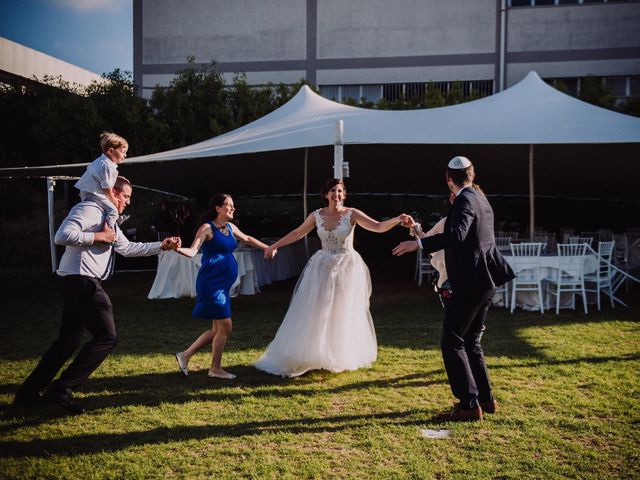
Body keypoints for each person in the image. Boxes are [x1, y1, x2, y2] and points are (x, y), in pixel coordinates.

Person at [13, 176, 181, 414]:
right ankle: (60, 390)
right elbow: (61, 236)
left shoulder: (108, 217)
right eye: (126, 196)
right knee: (107, 337)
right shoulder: (90, 209)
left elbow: (126, 248)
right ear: (112, 192)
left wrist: (161, 246)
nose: (128, 202)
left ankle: (27, 395)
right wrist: (98, 237)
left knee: (67, 342)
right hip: (81, 280)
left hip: (75, 280)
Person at [392, 156, 515, 422]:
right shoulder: (481, 199)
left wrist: (419, 244)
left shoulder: (464, 200)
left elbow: (457, 234)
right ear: (472, 174)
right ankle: (485, 398)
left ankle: (468, 405)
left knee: (452, 342)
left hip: (470, 283)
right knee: (471, 342)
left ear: (449, 179)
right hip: (485, 282)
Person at [254, 178, 408, 378]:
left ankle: (336, 355)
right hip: (322, 266)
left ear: (344, 195)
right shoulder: (316, 215)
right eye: (333, 191)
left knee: (341, 310)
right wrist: (274, 246)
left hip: (346, 266)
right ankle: (313, 353)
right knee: (316, 308)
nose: (336, 195)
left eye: (340, 191)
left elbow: (378, 226)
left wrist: (397, 220)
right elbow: (298, 232)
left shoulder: (352, 214)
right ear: (326, 194)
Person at [174, 194, 270, 379]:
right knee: (225, 326)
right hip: (211, 284)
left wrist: (267, 247)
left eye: (233, 206)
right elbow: (193, 250)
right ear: (218, 208)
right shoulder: (207, 228)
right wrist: (175, 248)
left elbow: (248, 238)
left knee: (218, 329)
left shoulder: (230, 227)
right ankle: (215, 369)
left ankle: (185, 355)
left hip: (223, 285)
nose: (233, 208)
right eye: (229, 205)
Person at [74, 132, 128, 231]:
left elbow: (103, 178)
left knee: (108, 208)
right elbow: (106, 186)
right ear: (111, 151)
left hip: (90, 192)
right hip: (93, 194)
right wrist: (113, 199)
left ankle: (111, 223)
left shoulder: (103, 162)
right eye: (123, 152)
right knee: (113, 210)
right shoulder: (106, 165)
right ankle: (109, 230)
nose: (125, 155)